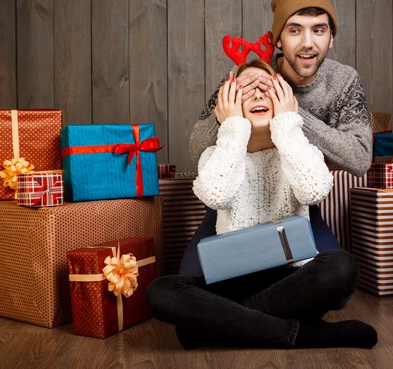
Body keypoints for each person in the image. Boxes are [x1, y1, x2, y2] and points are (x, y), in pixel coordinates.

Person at [146, 59, 378, 349]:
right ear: (228, 103)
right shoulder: (216, 154)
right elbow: (216, 194)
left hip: (291, 281)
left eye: (267, 88)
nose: (257, 95)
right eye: (245, 90)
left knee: (342, 266)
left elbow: (314, 190)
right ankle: (303, 334)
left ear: (283, 98)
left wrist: (287, 125)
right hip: (230, 280)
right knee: (160, 290)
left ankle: (217, 327)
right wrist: (231, 127)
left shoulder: (300, 148)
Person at [189, 0, 372, 178]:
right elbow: (196, 150)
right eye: (295, 31)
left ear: (331, 38)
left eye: (318, 30)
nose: (307, 43)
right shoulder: (247, 75)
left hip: (311, 193)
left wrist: (291, 113)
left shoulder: (344, 80)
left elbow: (360, 159)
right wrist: (221, 117)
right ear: (278, 40)